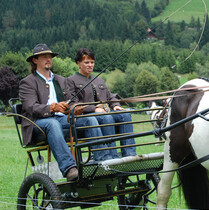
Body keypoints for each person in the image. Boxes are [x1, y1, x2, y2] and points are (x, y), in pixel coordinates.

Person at [20, 44, 116, 181]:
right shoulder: (28, 82)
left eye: (50, 57)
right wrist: (52, 108)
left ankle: (103, 162)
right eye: (44, 57)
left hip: (62, 119)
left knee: (90, 120)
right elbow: (31, 107)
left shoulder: (60, 80)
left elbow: (70, 101)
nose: (48, 59)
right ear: (35, 61)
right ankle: (69, 168)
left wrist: (74, 108)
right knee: (52, 123)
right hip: (37, 123)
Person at [67, 48, 136, 157]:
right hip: (87, 116)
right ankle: (113, 157)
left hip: (103, 112)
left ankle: (130, 154)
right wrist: (94, 109)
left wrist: (116, 105)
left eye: (92, 62)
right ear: (78, 63)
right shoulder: (71, 80)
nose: (90, 65)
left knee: (125, 115)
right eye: (86, 62)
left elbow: (110, 96)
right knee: (106, 117)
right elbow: (72, 104)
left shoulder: (99, 80)